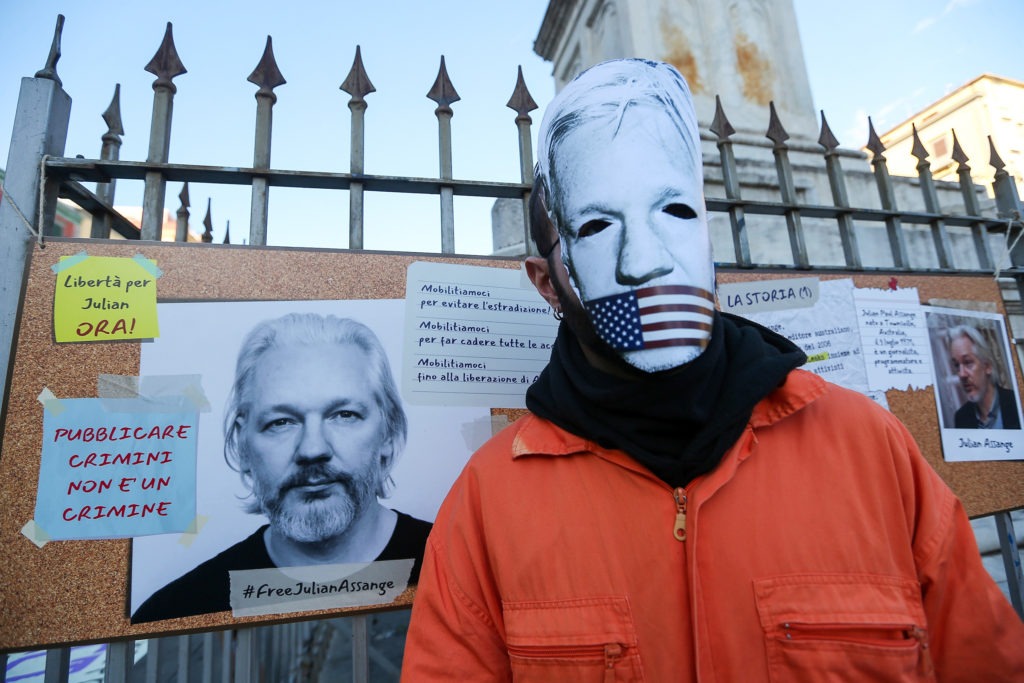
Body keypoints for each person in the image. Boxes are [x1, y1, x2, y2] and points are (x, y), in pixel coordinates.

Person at [402, 59, 1024, 680]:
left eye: (675, 212)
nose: (643, 260)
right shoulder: (488, 506)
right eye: (594, 226)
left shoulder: (870, 449)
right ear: (545, 282)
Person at [132, 313, 432, 622]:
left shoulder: (460, 568)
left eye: (344, 415)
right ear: (242, 445)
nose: (312, 449)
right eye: (281, 422)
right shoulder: (176, 611)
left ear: (389, 433)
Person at [947, 324, 1021, 429]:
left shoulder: (1016, 403)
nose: (962, 374)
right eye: (956, 365)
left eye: (967, 362)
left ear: (987, 366)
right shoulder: (961, 417)